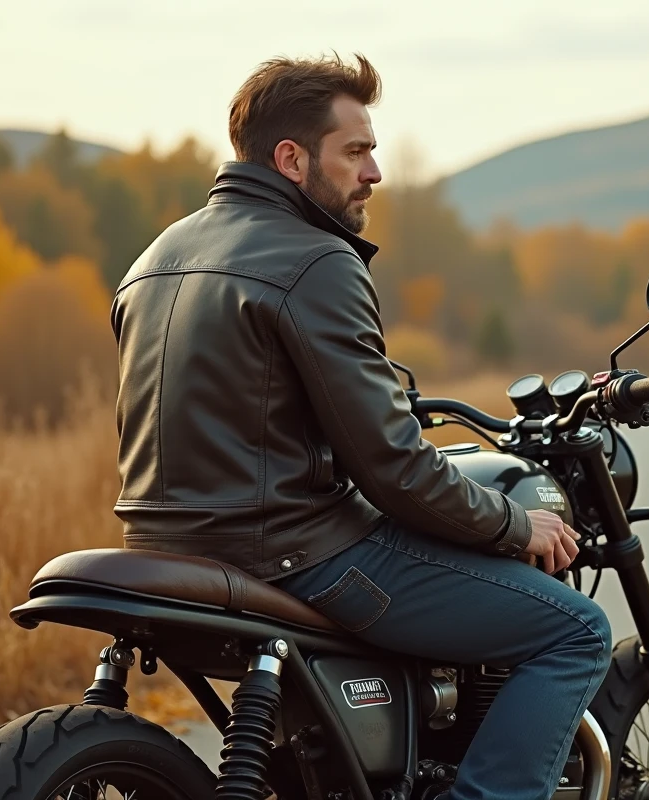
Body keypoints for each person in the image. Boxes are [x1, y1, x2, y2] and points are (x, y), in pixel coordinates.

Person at [110, 53, 611, 800]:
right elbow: (397, 470)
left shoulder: (155, 257)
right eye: (356, 151)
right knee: (576, 631)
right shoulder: (317, 261)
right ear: (291, 158)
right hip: (295, 554)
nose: (374, 171)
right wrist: (515, 526)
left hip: (161, 548)